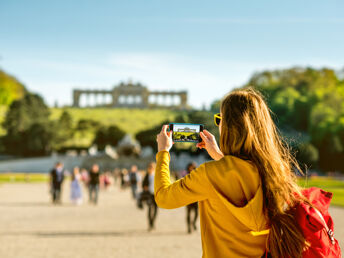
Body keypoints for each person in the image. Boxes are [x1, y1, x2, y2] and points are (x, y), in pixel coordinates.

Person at [155, 89, 307, 258]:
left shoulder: (210, 174)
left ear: (229, 126)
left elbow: (163, 197)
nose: (218, 125)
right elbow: (240, 174)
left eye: (219, 119)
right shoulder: (277, 171)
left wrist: (163, 152)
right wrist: (219, 155)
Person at [138, 162, 158, 231]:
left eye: (152, 167)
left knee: (155, 209)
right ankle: (150, 224)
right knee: (149, 209)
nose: (150, 168)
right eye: (149, 167)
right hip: (149, 194)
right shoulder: (147, 175)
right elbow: (143, 184)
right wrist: (145, 187)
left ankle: (153, 222)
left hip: (156, 194)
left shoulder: (157, 175)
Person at [184, 162, 198, 234]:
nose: (191, 168)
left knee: (196, 213)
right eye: (191, 167)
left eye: (193, 167)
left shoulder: (197, 174)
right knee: (188, 214)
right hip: (188, 197)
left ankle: (194, 223)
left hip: (196, 197)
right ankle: (189, 227)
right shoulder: (185, 175)